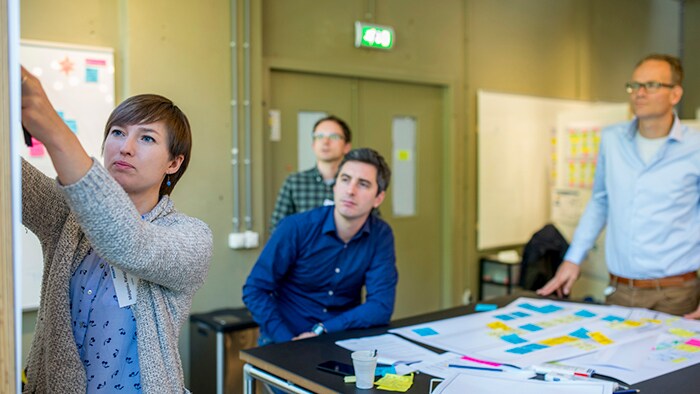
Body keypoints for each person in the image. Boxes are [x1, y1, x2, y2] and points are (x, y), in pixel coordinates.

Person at [20, 67, 213, 393]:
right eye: (118, 132)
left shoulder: (191, 237)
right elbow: (13, 182)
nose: (125, 147)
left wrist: (52, 128)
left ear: (174, 163)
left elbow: (128, 242)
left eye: (147, 138)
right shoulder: (65, 215)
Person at [537, 54, 700, 319]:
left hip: (677, 294)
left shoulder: (695, 148)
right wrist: (572, 259)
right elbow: (600, 202)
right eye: (634, 86)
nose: (639, 93)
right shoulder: (612, 140)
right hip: (621, 291)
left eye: (651, 85)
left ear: (675, 94)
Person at [244, 148, 397, 344]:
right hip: (284, 338)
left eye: (363, 184)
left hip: (340, 338)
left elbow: (381, 306)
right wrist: (288, 340)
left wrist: (324, 329)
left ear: (378, 198)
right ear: (334, 186)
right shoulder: (296, 227)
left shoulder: (380, 235)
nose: (350, 190)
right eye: (345, 179)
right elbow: (255, 290)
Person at [269, 115, 352, 231]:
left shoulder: (355, 184)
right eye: (319, 136)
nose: (325, 141)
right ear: (313, 145)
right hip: (304, 249)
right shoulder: (294, 183)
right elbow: (278, 228)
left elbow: (372, 226)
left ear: (347, 146)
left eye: (333, 136)